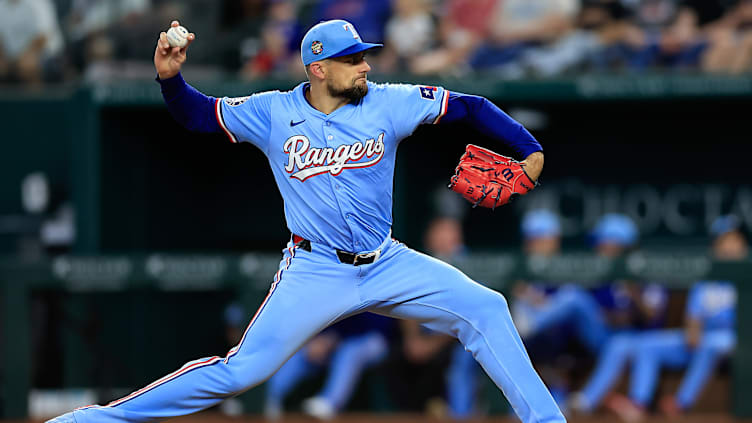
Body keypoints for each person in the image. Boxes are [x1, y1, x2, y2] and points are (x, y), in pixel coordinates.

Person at [47, 18, 563, 423]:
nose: (364, 66)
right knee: (239, 373)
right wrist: (170, 77)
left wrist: (528, 149)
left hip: (387, 260)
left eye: (364, 56)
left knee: (487, 307)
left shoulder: (389, 102)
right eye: (352, 59)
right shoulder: (272, 111)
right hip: (315, 270)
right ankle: (93, 421)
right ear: (318, 68)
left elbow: (469, 107)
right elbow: (198, 115)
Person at [600, 215, 743, 422]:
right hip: (704, 338)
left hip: (736, 338)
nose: (729, 247)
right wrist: (693, 329)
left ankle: (682, 403)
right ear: (715, 247)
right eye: (724, 242)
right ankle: (638, 403)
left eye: (734, 241)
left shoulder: (747, 273)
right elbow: (693, 316)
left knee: (710, 344)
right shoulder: (707, 278)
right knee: (648, 345)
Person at [263, 313, 394, 420]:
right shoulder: (329, 284)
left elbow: (372, 322)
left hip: (373, 338)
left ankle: (330, 403)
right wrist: (317, 338)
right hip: (335, 339)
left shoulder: (372, 282)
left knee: (350, 351)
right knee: (302, 352)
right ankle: (267, 397)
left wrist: (334, 338)